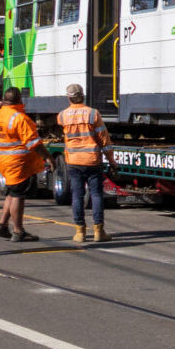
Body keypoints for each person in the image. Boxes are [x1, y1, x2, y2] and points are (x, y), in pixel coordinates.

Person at [0, 87, 44, 243]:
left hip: (4, 162)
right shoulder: (20, 118)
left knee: (12, 193)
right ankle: (18, 231)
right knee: (18, 196)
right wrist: (48, 158)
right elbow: (34, 143)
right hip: (19, 163)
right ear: (20, 100)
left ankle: (2, 224)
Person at [58, 83, 112, 244]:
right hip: (92, 159)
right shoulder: (93, 114)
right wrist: (111, 159)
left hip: (73, 161)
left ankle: (80, 232)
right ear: (83, 95)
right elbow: (104, 139)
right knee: (96, 194)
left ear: (68, 97)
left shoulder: (62, 116)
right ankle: (98, 231)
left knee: (77, 195)